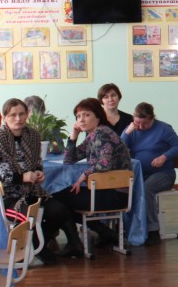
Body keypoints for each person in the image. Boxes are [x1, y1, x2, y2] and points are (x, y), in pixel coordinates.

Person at [0, 98, 82, 262]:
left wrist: (38, 172)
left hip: (32, 191)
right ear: (5, 118)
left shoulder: (32, 135)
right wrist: (21, 177)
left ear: (27, 114)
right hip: (8, 197)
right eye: (13, 115)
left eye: (22, 114)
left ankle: (37, 245)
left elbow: (37, 162)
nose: (18, 118)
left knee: (60, 210)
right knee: (28, 215)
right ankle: (35, 248)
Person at [52, 98, 132, 246]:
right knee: (60, 199)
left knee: (57, 198)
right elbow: (69, 160)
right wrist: (73, 136)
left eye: (86, 115)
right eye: (78, 116)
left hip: (115, 194)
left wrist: (84, 175)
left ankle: (78, 242)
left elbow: (104, 164)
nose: (81, 120)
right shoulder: (92, 136)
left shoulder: (102, 134)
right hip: (107, 192)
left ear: (98, 117)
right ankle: (104, 233)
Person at [120, 102, 178, 245]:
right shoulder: (132, 129)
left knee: (146, 188)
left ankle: (153, 230)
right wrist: (127, 132)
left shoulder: (164, 128)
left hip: (163, 173)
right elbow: (118, 148)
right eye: (137, 123)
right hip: (140, 173)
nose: (140, 127)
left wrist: (164, 157)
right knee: (124, 187)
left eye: (145, 124)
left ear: (152, 119)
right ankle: (128, 228)